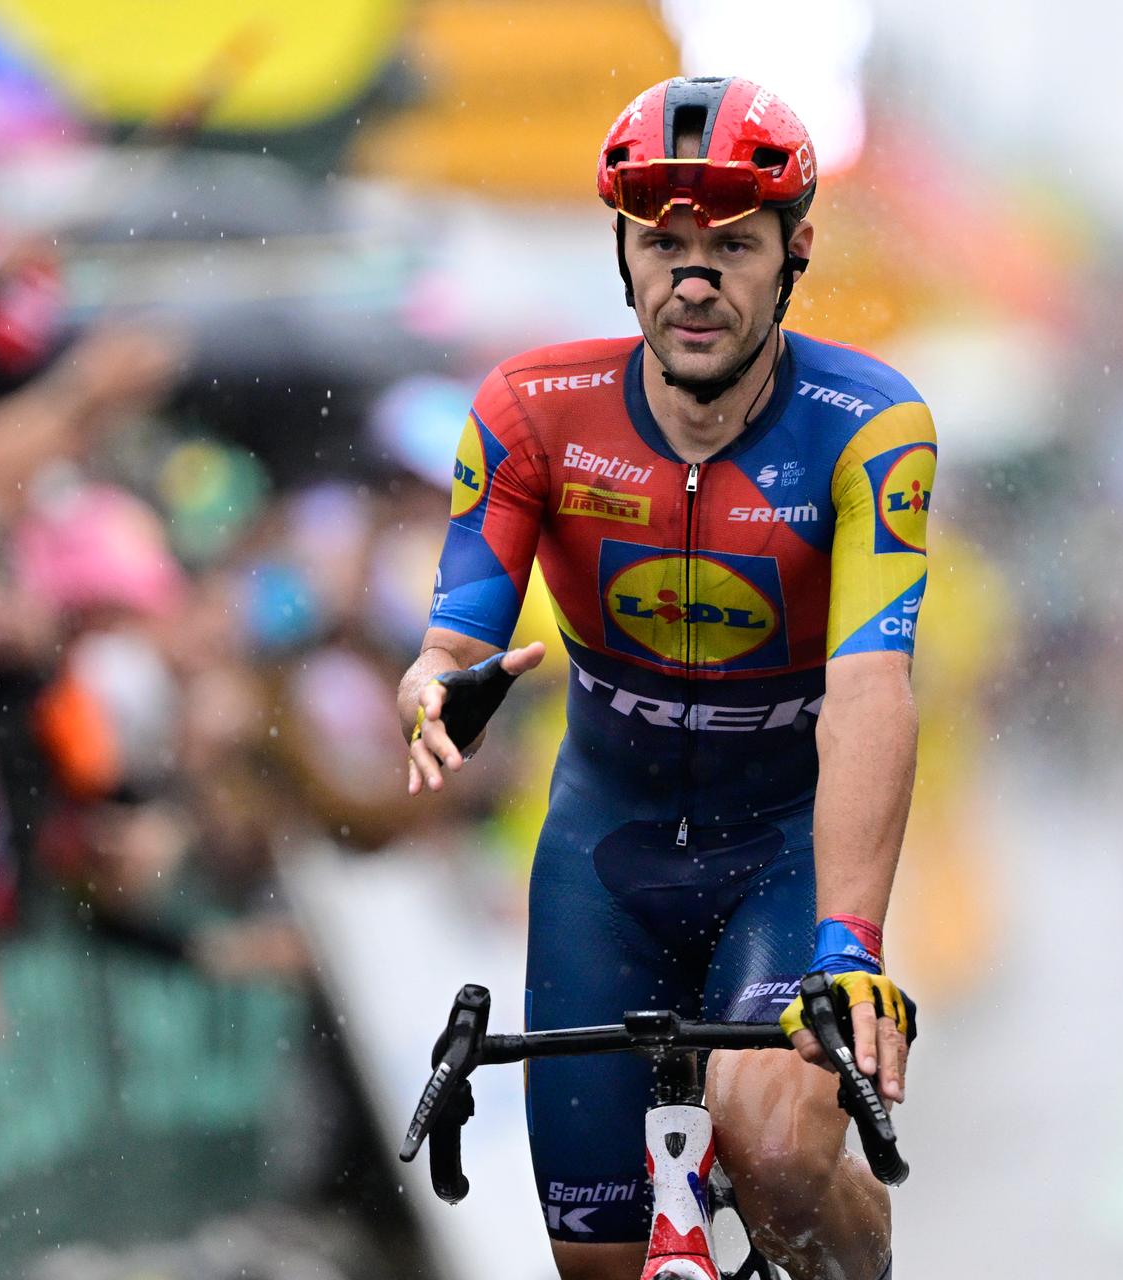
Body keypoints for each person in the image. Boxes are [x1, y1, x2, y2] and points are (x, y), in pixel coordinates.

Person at [397, 76, 930, 1280]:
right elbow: (449, 645)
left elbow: (869, 685)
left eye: (732, 246)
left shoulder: (868, 423)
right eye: (664, 244)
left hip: (784, 848)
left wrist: (849, 944)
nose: (694, 280)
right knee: (595, 1262)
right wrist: (433, 688)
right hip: (605, 854)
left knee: (774, 1147)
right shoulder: (532, 411)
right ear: (623, 253)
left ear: (795, 252)